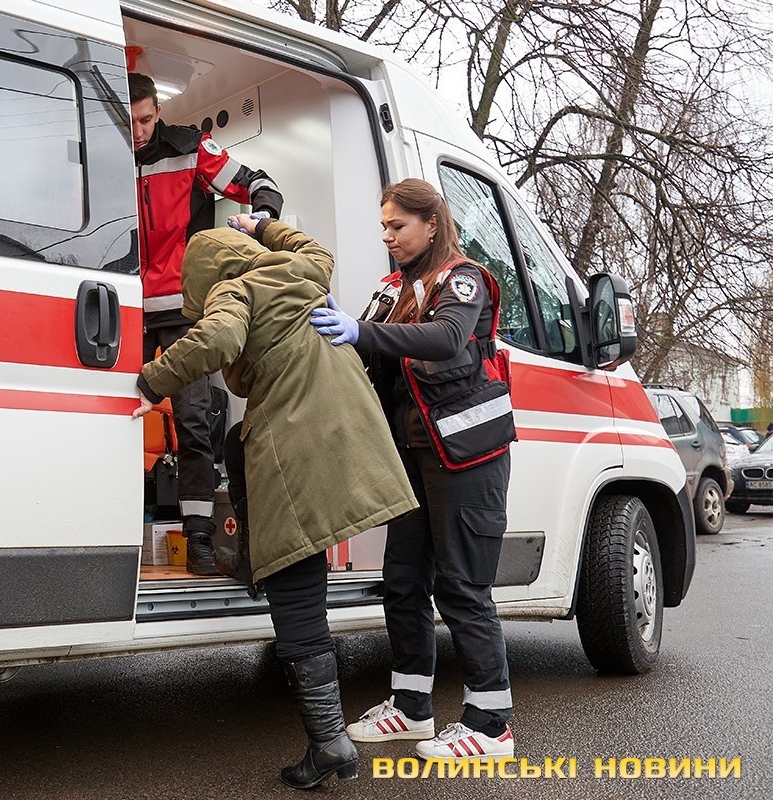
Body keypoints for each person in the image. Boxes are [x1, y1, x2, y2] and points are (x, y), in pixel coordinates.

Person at [133, 216, 417, 788]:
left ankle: (330, 743)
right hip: (350, 432)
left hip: (296, 442)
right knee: (240, 451)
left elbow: (216, 340)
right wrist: (261, 224)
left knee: (296, 594)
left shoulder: (233, 291)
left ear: (206, 277)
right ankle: (329, 738)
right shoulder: (300, 270)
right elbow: (313, 247)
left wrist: (149, 383)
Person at [310, 178, 518, 761]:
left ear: (431, 224)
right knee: (403, 582)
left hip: (467, 457)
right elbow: (364, 342)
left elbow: (447, 338)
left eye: (398, 226)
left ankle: (491, 725)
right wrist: (343, 326)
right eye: (383, 226)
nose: (388, 236)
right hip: (413, 455)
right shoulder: (392, 289)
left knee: (462, 586)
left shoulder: (463, 279)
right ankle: (411, 708)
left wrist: (362, 331)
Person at [129, 72, 284, 575]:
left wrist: (263, 219)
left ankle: (198, 538)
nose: (139, 132)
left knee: (194, 422)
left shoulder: (190, 149)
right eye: (130, 122)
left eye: (146, 119)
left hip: (182, 308)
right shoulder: (102, 152)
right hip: (122, 308)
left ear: (158, 112)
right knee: (113, 420)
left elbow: (257, 181)